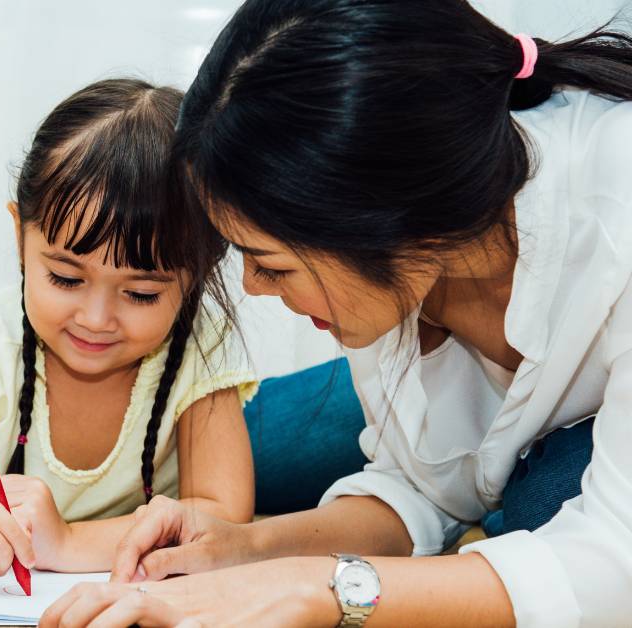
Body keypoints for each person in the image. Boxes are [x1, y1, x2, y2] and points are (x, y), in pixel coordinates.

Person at [42, 1, 632, 626]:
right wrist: (243, 549)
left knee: (542, 498)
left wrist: (322, 589)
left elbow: (610, 565)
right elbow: (423, 489)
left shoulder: (614, 209)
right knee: (245, 449)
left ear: (390, 224)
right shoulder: (409, 257)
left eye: (270, 261)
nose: (254, 286)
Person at [0, 78, 260, 576]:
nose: (95, 320)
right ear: (19, 236)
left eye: (141, 293)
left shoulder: (201, 346)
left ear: (200, 270)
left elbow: (224, 517)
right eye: (65, 277)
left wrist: (71, 541)